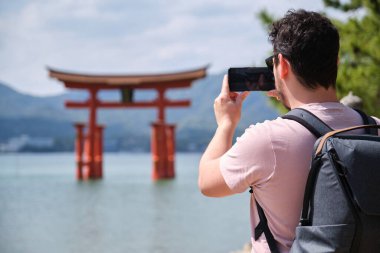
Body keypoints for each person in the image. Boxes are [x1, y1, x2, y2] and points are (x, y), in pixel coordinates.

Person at [198, 9, 380, 253]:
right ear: (336, 62)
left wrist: (226, 123)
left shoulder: (268, 140)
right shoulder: (375, 129)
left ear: (282, 64)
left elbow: (207, 183)